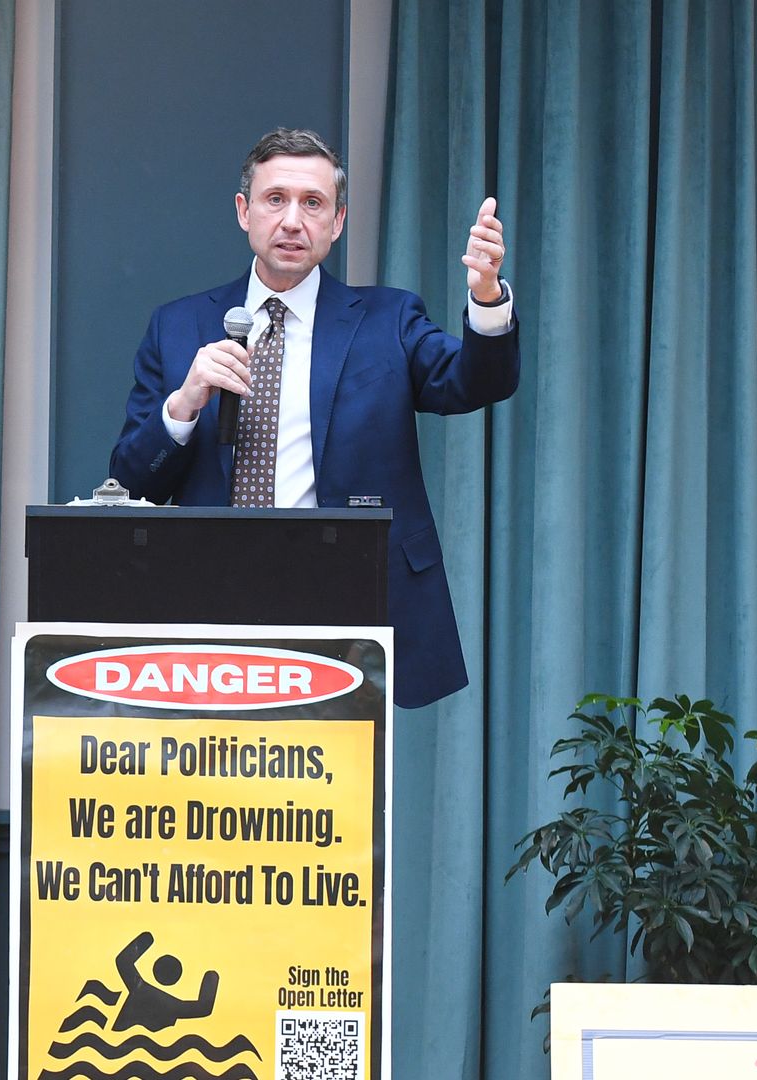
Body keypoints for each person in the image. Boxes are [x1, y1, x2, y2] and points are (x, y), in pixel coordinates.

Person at [108, 128, 520, 710]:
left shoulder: (388, 319)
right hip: (210, 604)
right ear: (243, 211)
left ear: (339, 220)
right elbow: (131, 479)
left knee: (337, 791)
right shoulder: (177, 326)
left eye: (313, 203)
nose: (293, 221)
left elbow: (475, 382)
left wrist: (485, 296)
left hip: (349, 606)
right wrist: (184, 404)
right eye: (275, 200)